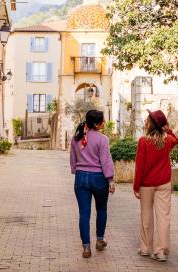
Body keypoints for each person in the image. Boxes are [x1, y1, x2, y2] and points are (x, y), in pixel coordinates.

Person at [133, 109, 178, 262]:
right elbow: (176, 139)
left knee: (146, 216)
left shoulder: (143, 141)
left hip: (146, 184)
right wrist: (168, 128)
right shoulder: (167, 140)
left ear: (151, 124)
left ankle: (145, 248)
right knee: (164, 217)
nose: (145, 121)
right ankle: (161, 251)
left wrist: (136, 186)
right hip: (164, 183)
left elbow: (140, 166)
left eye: (147, 119)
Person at [70, 110, 115, 258]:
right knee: (101, 209)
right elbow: (106, 161)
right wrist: (110, 180)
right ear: (96, 124)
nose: (104, 123)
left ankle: (86, 248)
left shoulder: (76, 138)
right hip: (98, 178)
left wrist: (76, 171)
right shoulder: (103, 139)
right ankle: (100, 240)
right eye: (103, 120)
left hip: (81, 177)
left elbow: (73, 159)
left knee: (84, 213)